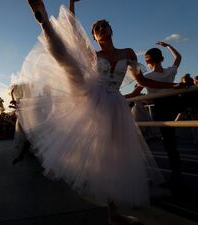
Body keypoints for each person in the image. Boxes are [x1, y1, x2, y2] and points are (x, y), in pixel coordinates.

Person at [23, 1, 180, 224]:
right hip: (92, 94)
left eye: (104, 26)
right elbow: (75, 35)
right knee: (68, 59)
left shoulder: (128, 53)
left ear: (111, 30)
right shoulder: (93, 55)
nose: (102, 30)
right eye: (97, 29)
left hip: (115, 104)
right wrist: (72, 3)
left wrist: (174, 87)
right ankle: (44, 21)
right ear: (94, 37)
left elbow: (143, 80)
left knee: (113, 157)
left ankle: (112, 212)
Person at [127, 41, 184, 190]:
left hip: (161, 108)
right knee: (172, 143)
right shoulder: (170, 72)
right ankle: (177, 174)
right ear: (162, 59)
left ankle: (175, 177)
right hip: (172, 105)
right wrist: (167, 46)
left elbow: (134, 94)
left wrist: (115, 96)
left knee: (167, 142)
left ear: (147, 61)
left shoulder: (147, 76)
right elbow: (178, 57)